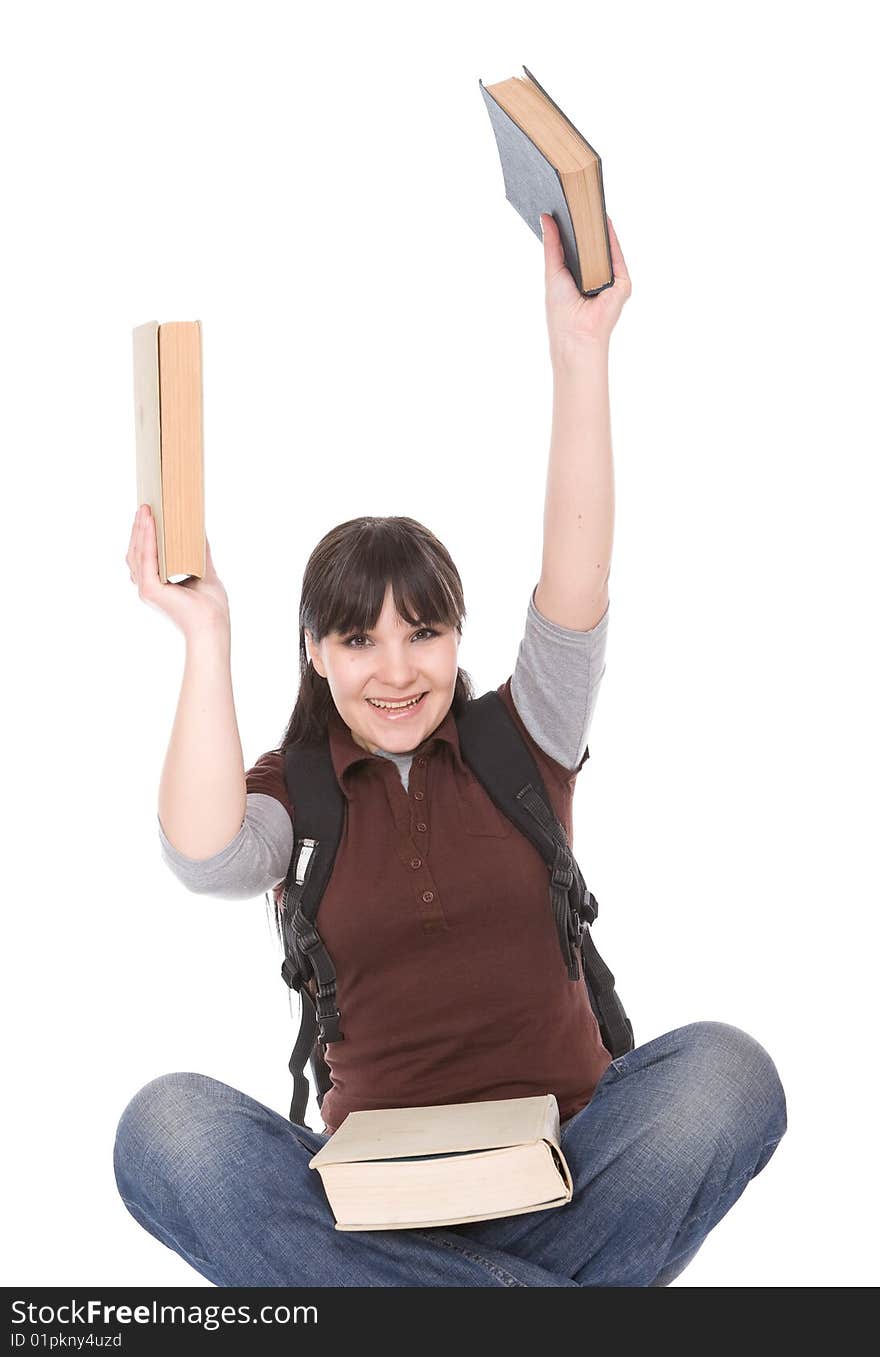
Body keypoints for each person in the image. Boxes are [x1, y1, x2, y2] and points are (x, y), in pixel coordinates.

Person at [114, 215, 787, 1286]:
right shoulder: (296, 796)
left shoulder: (525, 737)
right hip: (370, 1215)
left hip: (573, 1182)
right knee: (166, 1130)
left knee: (726, 1072)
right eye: (358, 636)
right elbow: (203, 855)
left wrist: (582, 351)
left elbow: (575, 573)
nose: (395, 669)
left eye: (422, 631)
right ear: (316, 653)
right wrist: (205, 635)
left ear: (456, 638)